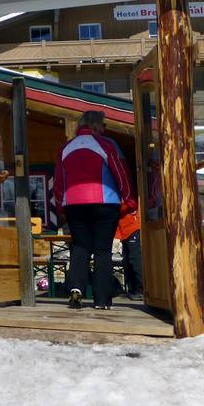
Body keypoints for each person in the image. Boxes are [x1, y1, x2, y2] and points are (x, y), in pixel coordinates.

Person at [54, 110, 134, 310]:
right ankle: (102, 299)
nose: (105, 128)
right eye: (103, 124)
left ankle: (76, 287)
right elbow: (121, 172)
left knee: (80, 247)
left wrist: (60, 206)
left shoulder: (66, 148)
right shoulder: (107, 144)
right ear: (96, 125)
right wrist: (130, 200)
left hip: (74, 204)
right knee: (102, 250)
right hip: (105, 202)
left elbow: (58, 181)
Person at [116, 208, 144, 300]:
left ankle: (140, 290)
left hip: (132, 227)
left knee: (135, 260)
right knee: (127, 262)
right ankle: (132, 290)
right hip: (124, 230)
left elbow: (130, 204)